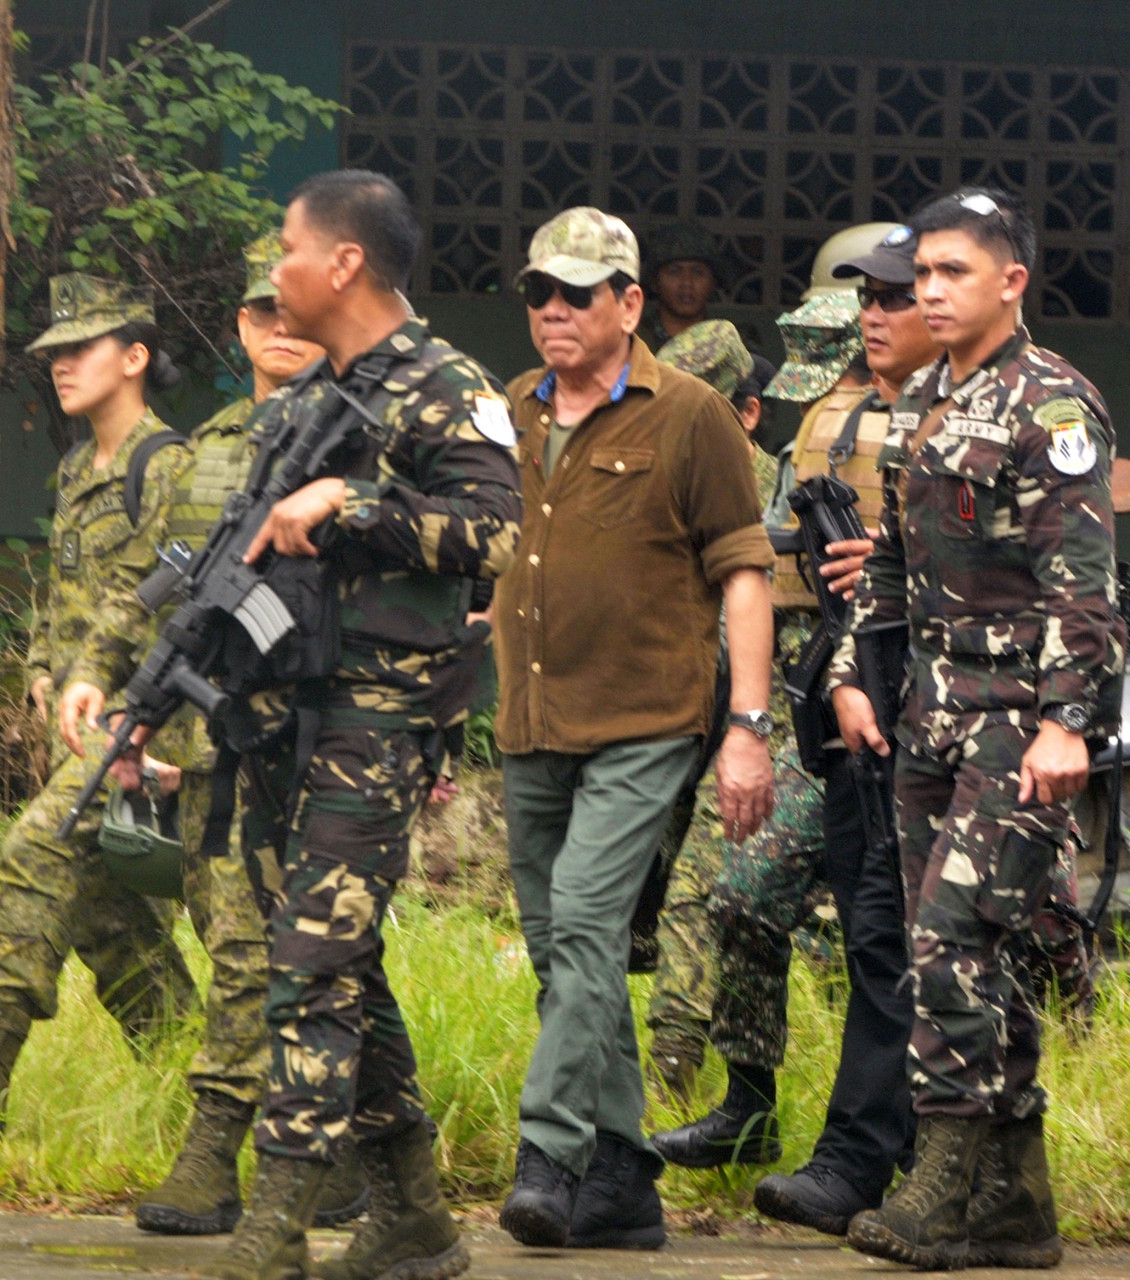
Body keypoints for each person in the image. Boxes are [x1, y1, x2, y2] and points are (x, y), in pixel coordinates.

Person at [187, 169, 518, 1280]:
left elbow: (496, 536)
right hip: (289, 709)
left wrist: (353, 506)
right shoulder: (300, 399)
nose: (273, 269)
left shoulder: (448, 385)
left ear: (344, 263)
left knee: (314, 958)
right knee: (337, 953)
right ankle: (414, 1211)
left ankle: (276, 1219)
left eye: (287, 246)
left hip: (380, 715)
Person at [51, 235, 375, 1237]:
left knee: (302, 956)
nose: (279, 332)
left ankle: (253, 1150)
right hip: (228, 746)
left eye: (292, 314)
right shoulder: (206, 457)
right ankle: (327, 1156)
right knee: (246, 945)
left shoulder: (368, 440)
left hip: (337, 741)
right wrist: (101, 670)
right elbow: (154, 581)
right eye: (260, 316)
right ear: (242, 325)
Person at [832, 187, 1126, 1270]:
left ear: (1012, 280)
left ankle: (945, 1176)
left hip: (1017, 722)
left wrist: (1067, 724)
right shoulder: (923, 402)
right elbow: (893, 564)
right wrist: (853, 674)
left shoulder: (1052, 405)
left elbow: (1084, 586)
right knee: (952, 946)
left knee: (956, 937)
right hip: (929, 715)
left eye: (954, 272)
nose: (929, 290)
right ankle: (1017, 1199)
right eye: (924, 273)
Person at [493, 206, 776, 1253]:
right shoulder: (513, 408)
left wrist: (745, 723)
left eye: (578, 292)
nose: (555, 310)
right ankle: (623, 1176)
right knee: (562, 948)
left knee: (583, 921)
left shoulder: (692, 412)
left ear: (630, 302)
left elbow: (744, 571)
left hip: (644, 720)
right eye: (540, 293)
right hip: (531, 718)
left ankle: (550, 1148)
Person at [0, 274, 199, 1137]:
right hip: (84, 723)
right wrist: (41, 672)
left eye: (81, 349)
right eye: (54, 352)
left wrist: (149, 727)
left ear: (134, 357)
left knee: (34, 848)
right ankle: (198, 1079)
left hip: (145, 724)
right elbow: (66, 597)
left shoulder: (168, 468)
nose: (60, 365)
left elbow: (175, 608)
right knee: (106, 915)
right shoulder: (74, 468)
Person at [653, 234, 920, 1239]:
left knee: (888, 935)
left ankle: (918, 1145)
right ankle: (750, 1105)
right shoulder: (821, 420)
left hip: (900, 690)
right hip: (813, 687)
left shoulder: (943, 416)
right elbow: (758, 554)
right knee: (745, 895)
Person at [638, 317, 782, 1098]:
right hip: (666, 715)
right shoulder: (654, 482)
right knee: (643, 890)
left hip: (755, 726)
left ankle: (675, 1067)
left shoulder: (777, 490)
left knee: (700, 887)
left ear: (747, 413)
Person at [643, 222, 728, 347]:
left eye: (698, 272)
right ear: (654, 282)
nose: (687, 283)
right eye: (674, 272)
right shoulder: (631, 343)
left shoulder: (727, 343)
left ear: (713, 283)